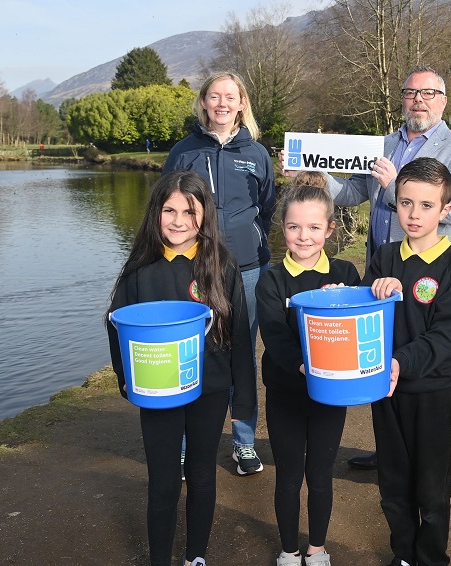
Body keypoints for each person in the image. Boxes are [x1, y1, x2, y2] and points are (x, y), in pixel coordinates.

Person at [282, 63, 451, 470]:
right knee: (380, 346)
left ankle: (418, 453)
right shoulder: (382, 143)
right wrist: (315, 173)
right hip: (382, 264)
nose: (418, 100)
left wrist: (394, 189)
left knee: (418, 344)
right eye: (411, 93)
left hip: (427, 266)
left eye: (428, 93)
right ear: (402, 99)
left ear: (443, 101)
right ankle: (387, 446)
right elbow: (355, 192)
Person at [106, 171, 256, 566]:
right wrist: (126, 378)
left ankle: (195, 557)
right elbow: (114, 322)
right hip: (158, 393)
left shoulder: (221, 264)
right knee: (164, 482)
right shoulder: (140, 267)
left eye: (189, 211)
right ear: (156, 212)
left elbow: (239, 334)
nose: (178, 220)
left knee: (203, 476)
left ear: (204, 215)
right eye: (169, 210)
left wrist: (243, 397)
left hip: (208, 389)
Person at [164, 71, 276, 476]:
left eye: (231, 96)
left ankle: (243, 444)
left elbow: (266, 209)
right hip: (196, 267)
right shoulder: (183, 151)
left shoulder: (257, 153)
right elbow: (166, 208)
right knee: (192, 353)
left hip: (248, 270)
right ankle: (182, 447)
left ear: (242, 102)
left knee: (241, 356)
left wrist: (247, 239)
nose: (223, 103)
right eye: (215, 96)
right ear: (204, 103)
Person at [363, 157, 451, 566]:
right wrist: (370, 291)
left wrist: (399, 362)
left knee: (432, 487)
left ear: (445, 210)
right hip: (385, 391)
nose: (414, 214)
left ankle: (430, 557)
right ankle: (403, 554)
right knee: (393, 482)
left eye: (427, 205)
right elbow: (363, 322)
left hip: (431, 392)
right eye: (406, 202)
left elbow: (445, 338)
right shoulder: (384, 257)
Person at [256, 171, 361, 566]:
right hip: (287, 390)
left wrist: (345, 302)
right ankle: (288, 550)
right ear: (282, 227)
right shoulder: (271, 281)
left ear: (330, 228)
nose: (304, 236)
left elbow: (362, 322)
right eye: (295, 226)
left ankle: (316, 548)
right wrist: (305, 365)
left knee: (319, 474)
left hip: (330, 395)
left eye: (314, 227)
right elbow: (275, 338)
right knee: (288, 474)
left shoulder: (346, 276)